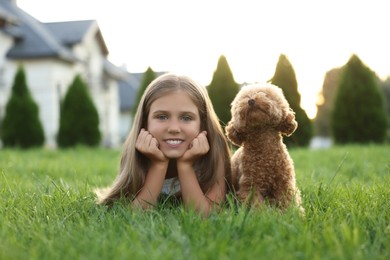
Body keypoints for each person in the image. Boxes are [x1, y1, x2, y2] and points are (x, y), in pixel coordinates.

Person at [96, 73, 232, 216]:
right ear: (144, 121)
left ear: (202, 123)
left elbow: (206, 216)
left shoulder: (215, 152)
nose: (174, 128)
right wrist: (158, 164)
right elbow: (134, 217)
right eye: (162, 117)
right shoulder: (137, 155)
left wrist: (185, 165)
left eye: (186, 118)